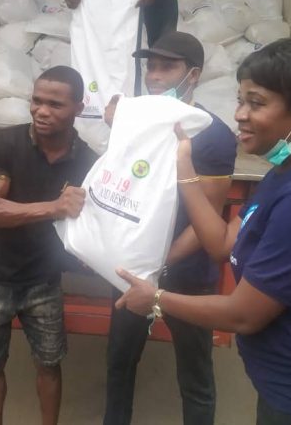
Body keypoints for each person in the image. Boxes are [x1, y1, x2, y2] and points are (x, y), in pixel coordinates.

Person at [116, 38, 291, 424]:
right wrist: (184, 165)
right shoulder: (285, 173)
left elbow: (243, 315)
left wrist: (155, 298)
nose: (239, 114)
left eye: (256, 103)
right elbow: (222, 244)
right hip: (285, 387)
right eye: (240, 100)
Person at [102, 31, 237, 425]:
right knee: (119, 363)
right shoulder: (137, 120)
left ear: (193, 75)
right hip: (133, 271)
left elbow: (206, 220)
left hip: (186, 275)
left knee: (195, 376)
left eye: (167, 67)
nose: (155, 76)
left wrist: (157, 266)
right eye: (151, 67)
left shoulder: (212, 134)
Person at [0, 66, 97, 425]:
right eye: (37, 101)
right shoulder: (4, 143)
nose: (41, 111)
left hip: (44, 280)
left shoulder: (88, 161)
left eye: (55, 104)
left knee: (50, 366)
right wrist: (54, 208)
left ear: (78, 108)